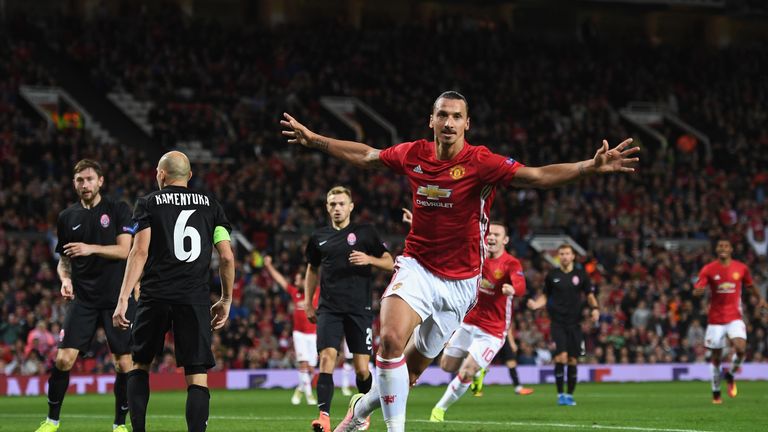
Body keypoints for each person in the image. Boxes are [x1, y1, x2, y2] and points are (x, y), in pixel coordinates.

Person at [280, 90, 638, 432]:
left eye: (456, 117)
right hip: (416, 266)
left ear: (467, 124)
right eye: (442, 115)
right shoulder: (413, 154)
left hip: (462, 284)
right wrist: (317, 140)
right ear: (431, 121)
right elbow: (368, 155)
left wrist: (587, 167)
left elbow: (538, 176)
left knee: (410, 373)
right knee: (389, 340)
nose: (448, 123)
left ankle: (359, 411)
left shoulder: (481, 162)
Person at [111, 151, 235, 432]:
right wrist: (226, 299)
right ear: (189, 176)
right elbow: (226, 257)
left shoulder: (148, 203)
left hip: (155, 295)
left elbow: (139, 251)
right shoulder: (211, 206)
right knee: (197, 375)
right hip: (193, 298)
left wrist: (122, 299)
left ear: (161, 174)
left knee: (140, 364)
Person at [36, 159, 137, 432]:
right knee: (62, 360)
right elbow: (64, 259)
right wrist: (66, 279)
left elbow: (124, 250)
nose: (85, 184)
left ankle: (119, 425)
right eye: (80, 180)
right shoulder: (67, 217)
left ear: (100, 181)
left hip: (118, 298)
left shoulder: (118, 209)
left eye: (90, 179)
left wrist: (90, 248)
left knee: (124, 363)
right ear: (74, 184)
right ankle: (51, 421)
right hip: (84, 299)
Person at [305, 186, 394, 432]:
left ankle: (362, 413)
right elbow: (312, 269)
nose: (337, 208)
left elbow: (390, 261)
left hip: (359, 309)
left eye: (341, 203)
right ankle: (323, 416)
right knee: (326, 358)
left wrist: (370, 259)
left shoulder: (365, 233)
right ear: (327, 207)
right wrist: (307, 301)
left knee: (362, 368)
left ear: (351, 206)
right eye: (332, 204)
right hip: (329, 309)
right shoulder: (318, 237)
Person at [427, 221, 527, 422]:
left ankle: (439, 410)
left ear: (505, 240)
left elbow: (521, 284)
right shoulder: (476, 257)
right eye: (489, 233)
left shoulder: (511, 263)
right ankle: (478, 371)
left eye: (497, 234)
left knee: (466, 371)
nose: (491, 237)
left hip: (492, 331)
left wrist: (513, 289)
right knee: (446, 366)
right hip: (468, 322)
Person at [693, 239, 767, 404]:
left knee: (741, 348)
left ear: (731, 249)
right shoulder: (709, 269)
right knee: (716, 357)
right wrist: (697, 292)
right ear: (716, 249)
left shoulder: (741, 268)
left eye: (726, 246)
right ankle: (716, 393)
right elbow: (699, 287)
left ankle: (731, 374)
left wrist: (760, 299)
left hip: (734, 317)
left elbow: (750, 285)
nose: (723, 248)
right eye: (720, 246)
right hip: (716, 320)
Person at [527, 243, 599, 406]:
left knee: (572, 360)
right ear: (559, 256)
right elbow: (545, 295)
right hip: (558, 322)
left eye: (567, 253)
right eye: (562, 254)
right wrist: (536, 304)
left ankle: (569, 395)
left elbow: (589, 295)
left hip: (576, 323)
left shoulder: (581, 275)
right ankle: (560, 394)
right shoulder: (552, 275)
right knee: (561, 356)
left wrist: (595, 308)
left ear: (573, 256)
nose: (565, 256)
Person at [263, 255, 319, 405]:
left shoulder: (317, 292)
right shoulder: (295, 293)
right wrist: (269, 266)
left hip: (313, 334)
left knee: (312, 369)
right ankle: (309, 396)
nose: (295, 282)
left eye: (297, 280)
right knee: (303, 365)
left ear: (304, 280)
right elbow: (280, 280)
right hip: (299, 333)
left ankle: (300, 388)